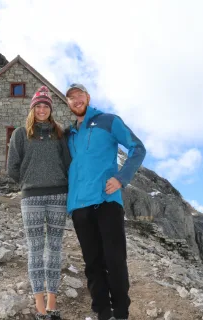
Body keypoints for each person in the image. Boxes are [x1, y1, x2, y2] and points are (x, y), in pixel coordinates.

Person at [65, 83, 146, 320]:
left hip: (106, 201)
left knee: (114, 259)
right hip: (79, 206)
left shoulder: (108, 121)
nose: (76, 100)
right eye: (71, 98)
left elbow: (137, 148)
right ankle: (102, 311)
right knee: (92, 262)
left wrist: (121, 178)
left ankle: (121, 312)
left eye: (79, 96)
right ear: (67, 103)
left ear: (87, 98)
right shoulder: (70, 134)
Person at [7, 86, 71, 320]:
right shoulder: (20, 134)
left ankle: (53, 304)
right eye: (38, 106)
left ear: (50, 110)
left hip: (58, 196)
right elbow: (12, 167)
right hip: (31, 197)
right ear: (32, 109)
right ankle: (40, 307)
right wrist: (27, 181)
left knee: (54, 248)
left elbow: (68, 163)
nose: (42, 109)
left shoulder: (60, 133)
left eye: (46, 106)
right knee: (35, 249)